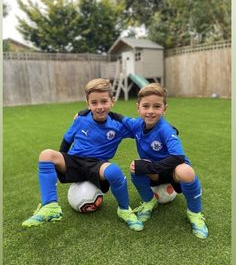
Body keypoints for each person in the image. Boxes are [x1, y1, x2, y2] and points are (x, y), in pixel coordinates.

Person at [22, 78, 144, 231]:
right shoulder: (81, 119)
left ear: (112, 101)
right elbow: (67, 140)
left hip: (96, 165)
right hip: (74, 161)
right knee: (46, 155)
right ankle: (50, 206)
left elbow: (142, 131)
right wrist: (62, 162)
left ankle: (124, 210)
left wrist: (165, 129)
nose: (99, 107)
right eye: (94, 103)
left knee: (114, 171)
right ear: (88, 104)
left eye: (104, 101)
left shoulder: (118, 124)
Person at [117, 83, 208, 239]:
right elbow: (118, 118)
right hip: (156, 173)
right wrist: (84, 112)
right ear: (138, 107)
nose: (151, 111)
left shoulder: (165, 129)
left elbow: (178, 157)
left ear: (164, 109)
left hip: (173, 171)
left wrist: (151, 166)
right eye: (146, 106)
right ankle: (149, 201)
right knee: (135, 166)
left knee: (185, 171)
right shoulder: (137, 124)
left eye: (157, 106)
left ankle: (194, 213)